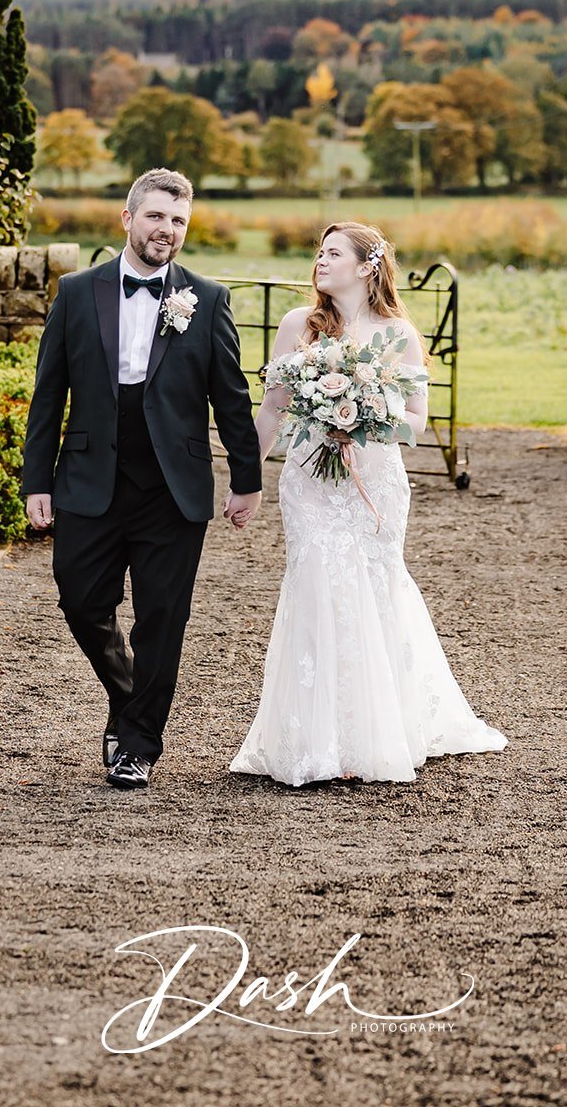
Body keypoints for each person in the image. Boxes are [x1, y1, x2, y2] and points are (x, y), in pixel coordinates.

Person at [229, 222, 508, 786]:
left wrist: (362, 423)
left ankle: (376, 731)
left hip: (373, 483)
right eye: (319, 251)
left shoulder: (398, 332)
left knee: (372, 585)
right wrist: (246, 478)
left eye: (334, 253)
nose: (320, 260)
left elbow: (415, 423)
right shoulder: (296, 326)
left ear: (365, 266)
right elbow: (271, 410)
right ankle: (313, 738)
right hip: (309, 481)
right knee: (315, 584)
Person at [21, 167, 262, 792]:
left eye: (179, 220)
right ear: (128, 219)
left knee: (162, 617)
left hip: (171, 486)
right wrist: (35, 479)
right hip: (88, 476)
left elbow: (230, 398)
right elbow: (48, 395)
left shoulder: (206, 300)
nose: (168, 230)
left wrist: (246, 478)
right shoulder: (76, 293)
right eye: (156, 216)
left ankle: (137, 742)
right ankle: (128, 697)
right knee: (80, 599)